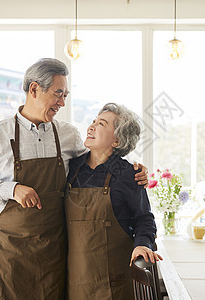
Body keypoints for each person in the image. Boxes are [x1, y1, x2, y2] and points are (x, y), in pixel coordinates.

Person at [0, 58, 148, 300]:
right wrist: (12, 189)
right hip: (8, 258)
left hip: (54, 257)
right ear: (34, 89)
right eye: (58, 94)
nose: (62, 102)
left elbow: (99, 160)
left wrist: (133, 168)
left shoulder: (68, 135)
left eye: (65, 95)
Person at [66, 103, 162, 299]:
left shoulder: (129, 174)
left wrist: (143, 243)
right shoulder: (70, 168)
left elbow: (144, 219)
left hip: (115, 284)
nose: (91, 127)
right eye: (93, 121)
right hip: (74, 282)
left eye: (101, 124)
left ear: (117, 140)